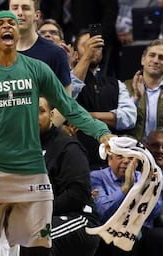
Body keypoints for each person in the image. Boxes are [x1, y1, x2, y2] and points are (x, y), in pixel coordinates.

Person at [0, 10, 113, 255]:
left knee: (39, 246)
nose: (7, 26)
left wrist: (101, 132)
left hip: (32, 172)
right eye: (0, 23)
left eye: (11, 23)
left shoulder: (37, 69)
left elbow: (69, 107)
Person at [38, 97, 101, 256]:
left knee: (38, 237)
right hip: (39, 216)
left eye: (40, 111)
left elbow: (77, 195)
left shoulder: (68, 147)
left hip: (79, 218)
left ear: (52, 115)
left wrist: (39, 211)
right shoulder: (20, 146)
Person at [70, 30, 137, 169]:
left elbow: (129, 117)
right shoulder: (65, 82)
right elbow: (66, 97)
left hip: (112, 165)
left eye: (96, 45)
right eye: (87, 45)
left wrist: (90, 116)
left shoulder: (116, 84)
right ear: (75, 54)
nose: (92, 49)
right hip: (78, 161)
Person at [9, 0, 72, 127]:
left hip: (42, 138)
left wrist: (45, 130)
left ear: (37, 15)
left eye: (26, 8)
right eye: (15, 8)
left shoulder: (55, 53)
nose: (20, 13)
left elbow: (66, 102)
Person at [90, 146, 162, 256]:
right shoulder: (97, 177)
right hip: (112, 230)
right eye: (120, 156)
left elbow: (154, 214)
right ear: (110, 160)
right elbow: (102, 212)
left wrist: (149, 187)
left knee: (160, 238)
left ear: (137, 162)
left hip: (141, 230)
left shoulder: (143, 178)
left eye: (131, 157)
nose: (126, 161)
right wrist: (126, 187)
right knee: (120, 242)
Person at [125, 39, 163, 144]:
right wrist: (135, 99)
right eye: (152, 55)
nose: (156, 61)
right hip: (133, 153)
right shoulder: (124, 87)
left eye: (161, 58)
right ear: (143, 59)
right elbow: (121, 123)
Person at [139, 127, 163, 256]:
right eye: (155, 145)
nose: (160, 151)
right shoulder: (132, 169)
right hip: (139, 226)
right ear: (146, 147)